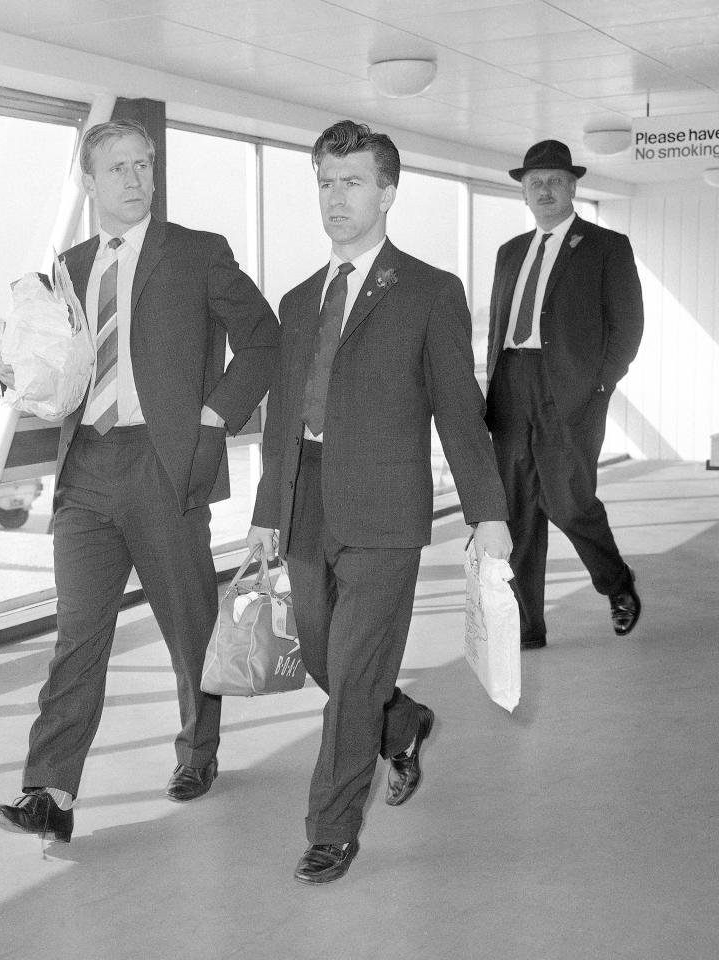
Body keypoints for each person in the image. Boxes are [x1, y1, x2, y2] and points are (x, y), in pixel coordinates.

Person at [0, 118, 279, 843]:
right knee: (77, 634)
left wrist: (215, 416)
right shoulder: (70, 264)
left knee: (188, 628)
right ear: (88, 183)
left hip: (166, 461)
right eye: (117, 168)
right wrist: (20, 373)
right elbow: (61, 361)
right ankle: (49, 792)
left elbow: (265, 340)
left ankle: (198, 750)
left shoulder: (197, 253)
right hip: (86, 464)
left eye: (143, 164)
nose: (135, 178)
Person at [247, 120, 511, 885]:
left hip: (385, 512)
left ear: (388, 192)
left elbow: (460, 413)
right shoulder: (299, 300)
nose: (335, 197)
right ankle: (404, 723)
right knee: (330, 660)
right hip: (304, 507)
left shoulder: (429, 292)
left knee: (354, 674)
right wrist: (268, 513)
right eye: (326, 182)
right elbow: (280, 420)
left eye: (352, 182)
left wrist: (487, 512)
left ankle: (330, 827)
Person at [485, 140, 644, 651]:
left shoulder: (605, 246)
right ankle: (528, 627)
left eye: (554, 180)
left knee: (568, 500)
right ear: (524, 193)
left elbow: (628, 325)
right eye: (535, 183)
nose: (545, 190)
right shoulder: (509, 252)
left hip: (570, 391)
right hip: (511, 386)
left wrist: (600, 386)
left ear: (573, 187)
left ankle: (617, 584)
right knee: (516, 511)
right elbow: (498, 326)